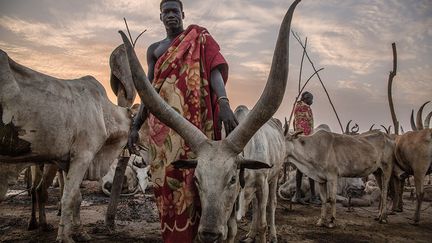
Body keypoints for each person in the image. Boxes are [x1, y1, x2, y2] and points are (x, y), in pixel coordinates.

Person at [128, 0, 238, 242]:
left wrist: (224, 102)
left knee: (201, 183)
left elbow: (214, 70)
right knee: (169, 186)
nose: (170, 16)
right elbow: (148, 91)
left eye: (174, 11)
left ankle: (206, 233)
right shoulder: (154, 50)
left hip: (196, 126)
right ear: (160, 17)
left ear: (182, 14)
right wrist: (135, 126)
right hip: (163, 132)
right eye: (165, 12)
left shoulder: (199, 38)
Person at [291, 91, 321, 205]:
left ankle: (297, 194)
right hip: (305, 142)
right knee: (310, 168)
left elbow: (296, 124)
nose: (312, 101)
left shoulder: (297, 107)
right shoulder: (305, 108)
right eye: (311, 99)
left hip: (298, 140)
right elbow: (306, 126)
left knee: (300, 168)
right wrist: (309, 141)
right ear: (306, 98)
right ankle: (312, 196)